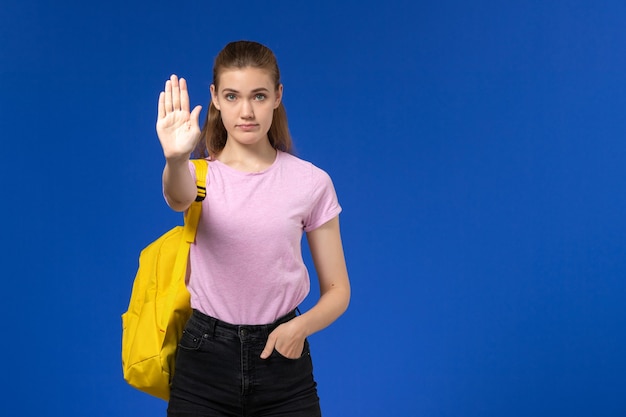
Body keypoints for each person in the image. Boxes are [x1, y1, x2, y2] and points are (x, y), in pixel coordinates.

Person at [156, 40, 351, 417]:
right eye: (232, 96)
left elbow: (338, 290)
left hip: (282, 360)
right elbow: (178, 197)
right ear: (214, 98)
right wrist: (176, 158)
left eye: (259, 96)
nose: (246, 111)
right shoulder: (197, 177)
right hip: (204, 359)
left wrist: (301, 328)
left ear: (278, 96)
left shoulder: (311, 182)